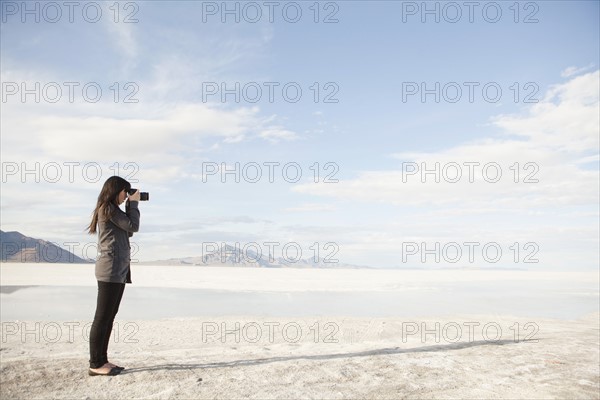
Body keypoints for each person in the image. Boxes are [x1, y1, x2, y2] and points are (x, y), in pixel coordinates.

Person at [86, 176, 140, 376]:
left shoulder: (112, 210)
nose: (126, 196)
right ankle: (95, 363)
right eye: (125, 192)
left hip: (117, 270)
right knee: (102, 318)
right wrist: (133, 205)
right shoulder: (108, 209)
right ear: (116, 190)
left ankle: (102, 360)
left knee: (109, 317)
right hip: (110, 270)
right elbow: (134, 226)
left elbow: (129, 231)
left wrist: (129, 207)